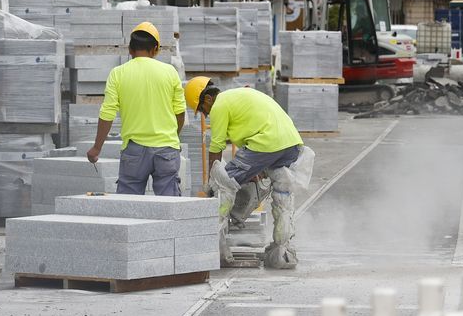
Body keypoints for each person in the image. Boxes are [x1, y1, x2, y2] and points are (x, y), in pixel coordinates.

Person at [185, 76, 303, 269]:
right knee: (282, 192)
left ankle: (215, 248)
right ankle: (282, 252)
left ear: (207, 100)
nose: (204, 115)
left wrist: (211, 184)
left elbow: (216, 147)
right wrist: (254, 169)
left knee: (223, 183)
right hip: (290, 144)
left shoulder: (219, 105)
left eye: (202, 110)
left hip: (266, 143)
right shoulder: (237, 96)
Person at [88, 22, 186, 196]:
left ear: (130, 49)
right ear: (156, 49)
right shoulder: (170, 72)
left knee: (129, 207)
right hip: (166, 149)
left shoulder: (118, 73)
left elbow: (107, 114)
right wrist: (172, 137)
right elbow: (180, 112)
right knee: (170, 208)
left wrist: (97, 148)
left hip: (134, 151)